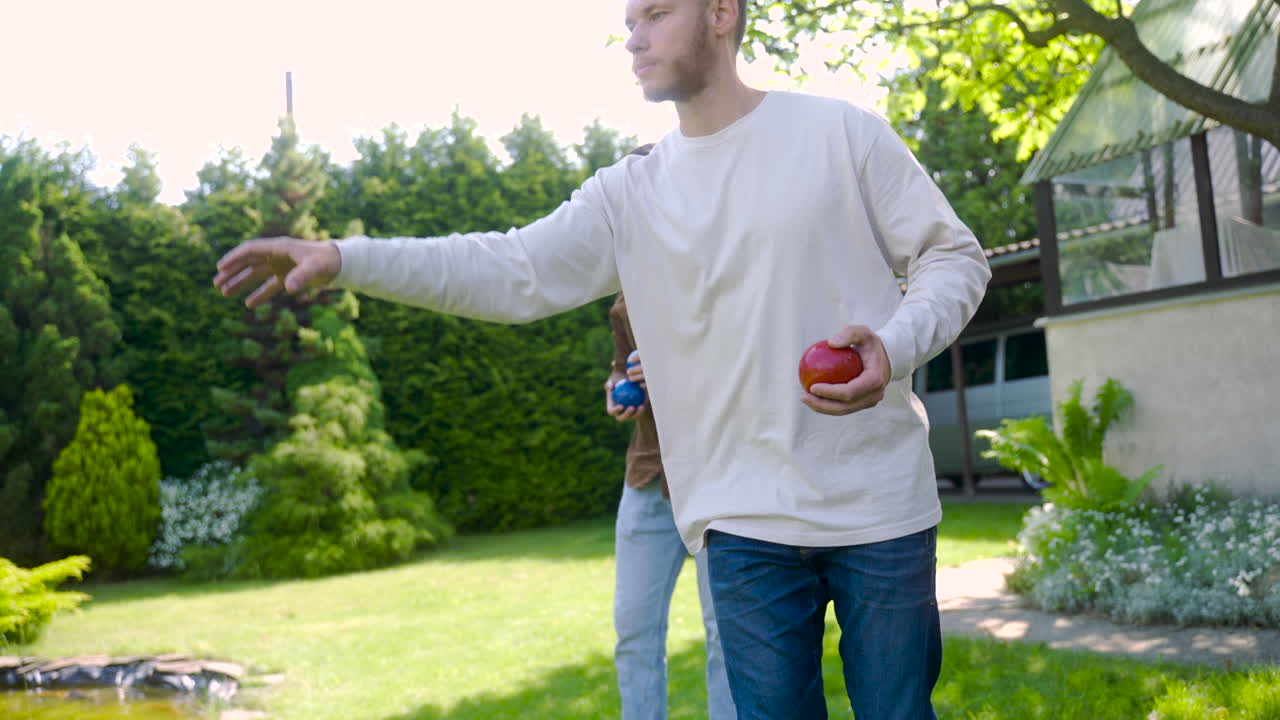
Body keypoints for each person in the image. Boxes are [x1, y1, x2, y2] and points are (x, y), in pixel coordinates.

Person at [213, 0, 991, 716]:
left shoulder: (838, 134)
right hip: (743, 524)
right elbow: (508, 269)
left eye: (656, 13)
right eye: (629, 19)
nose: (634, 36)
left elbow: (953, 258)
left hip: (878, 508)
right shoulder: (629, 194)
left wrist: (892, 345)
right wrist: (346, 257)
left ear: (720, 12)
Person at [606, 288, 736, 720]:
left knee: (725, 635)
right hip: (647, 480)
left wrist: (671, 366)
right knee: (633, 631)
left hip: (716, 481)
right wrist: (617, 388)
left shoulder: (718, 281)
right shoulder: (626, 301)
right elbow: (619, 369)